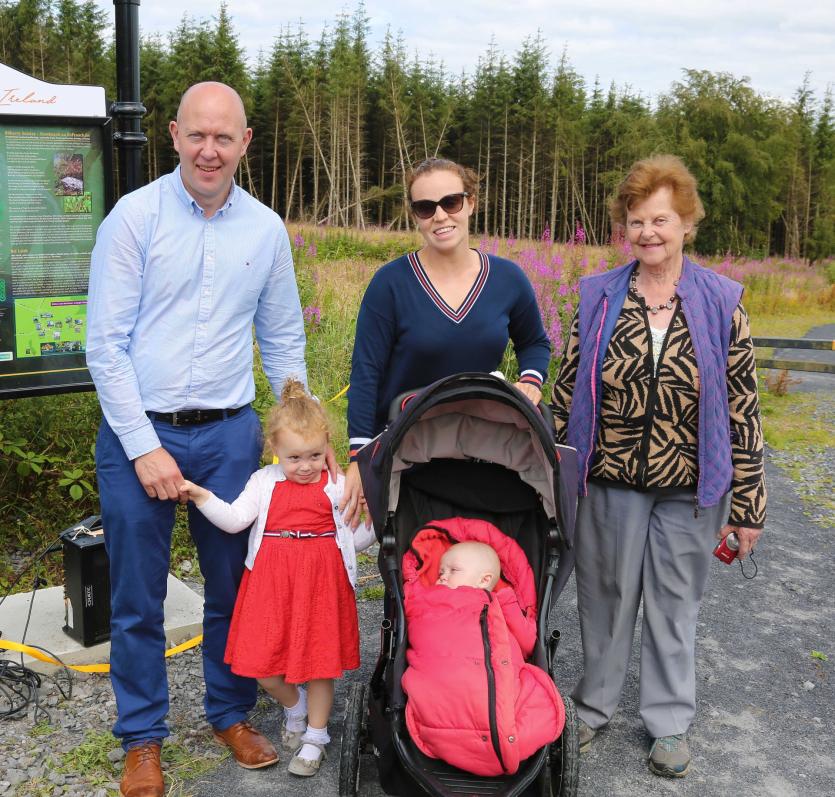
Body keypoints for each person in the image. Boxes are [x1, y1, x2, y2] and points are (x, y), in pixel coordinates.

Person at [86, 82, 313, 797]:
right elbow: (105, 345)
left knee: (235, 586)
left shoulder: (266, 230)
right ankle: (143, 737)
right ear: (175, 137)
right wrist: (142, 445)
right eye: (196, 135)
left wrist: (296, 431)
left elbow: (281, 338)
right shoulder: (133, 218)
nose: (209, 149)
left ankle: (228, 712)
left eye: (224, 136)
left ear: (246, 142)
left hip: (229, 436)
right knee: (135, 596)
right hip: (139, 432)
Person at [550, 154, 766, 778]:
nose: (648, 232)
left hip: (690, 488)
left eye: (661, 220)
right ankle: (592, 709)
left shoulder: (722, 302)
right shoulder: (597, 297)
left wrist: (748, 504)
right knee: (606, 596)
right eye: (637, 220)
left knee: (675, 602)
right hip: (609, 480)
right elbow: (566, 392)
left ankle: (668, 723)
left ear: (687, 224)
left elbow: (744, 409)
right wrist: (552, 473)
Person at [179, 380, 375, 778]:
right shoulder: (264, 481)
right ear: (275, 451)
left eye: (316, 456)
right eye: (295, 458)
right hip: (271, 583)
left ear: (327, 448)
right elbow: (235, 520)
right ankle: (295, 706)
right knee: (263, 663)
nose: (306, 466)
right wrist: (202, 497)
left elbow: (358, 538)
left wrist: (375, 511)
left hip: (322, 583)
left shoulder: (336, 485)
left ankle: (316, 737)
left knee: (320, 662)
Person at [341, 157, 551, 522]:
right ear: (415, 215)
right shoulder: (390, 283)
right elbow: (366, 372)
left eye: (450, 202)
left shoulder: (507, 279)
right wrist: (359, 456)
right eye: (425, 207)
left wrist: (531, 379)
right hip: (408, 447)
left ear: (470, 202)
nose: (440, 216)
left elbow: (534, 342)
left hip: (481, 447)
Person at [401, 519, 564, 776]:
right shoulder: (425, 598)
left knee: (514, 691)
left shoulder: (501, 602)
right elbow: (410, 619)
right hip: (443, 680)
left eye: (452, 570)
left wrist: (510, 602)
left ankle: (494, 740)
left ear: (484, 579)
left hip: (490, 680)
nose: (442, 575)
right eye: (440, 570)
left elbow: (528, 642)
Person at [435, 540, 500, 590]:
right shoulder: (430, 596)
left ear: (484, 580)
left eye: (453, 570)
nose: (442, 577)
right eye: (441, 573)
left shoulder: (496, 605)